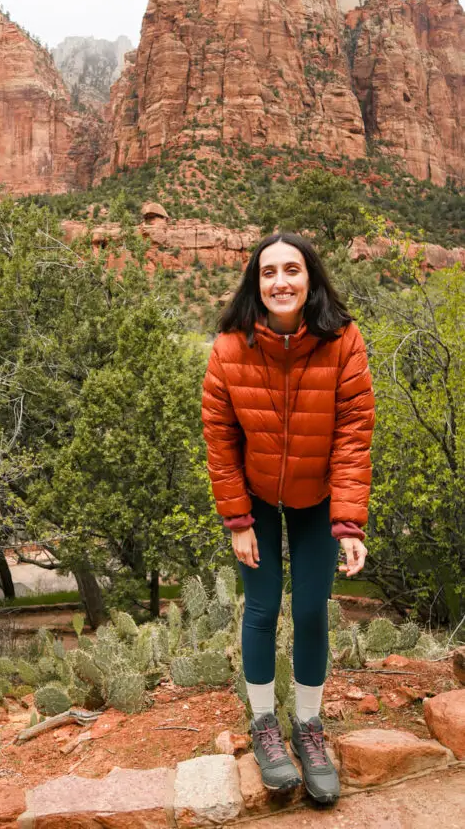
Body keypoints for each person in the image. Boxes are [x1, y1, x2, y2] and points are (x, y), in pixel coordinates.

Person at [201, 232, 374, 806]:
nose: (280, 282)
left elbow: (354, 434)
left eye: (292, 270)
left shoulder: (343, 341)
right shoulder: (230, 348)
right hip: (254, 496)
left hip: (318, 495)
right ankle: (264, 727)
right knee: (262, 606)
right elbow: (220, 440)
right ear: (256, 282)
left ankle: (308, 726)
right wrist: (238, 520)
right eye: (268, 272)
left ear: (310, 278)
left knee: (309, 610)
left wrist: (348, 522)